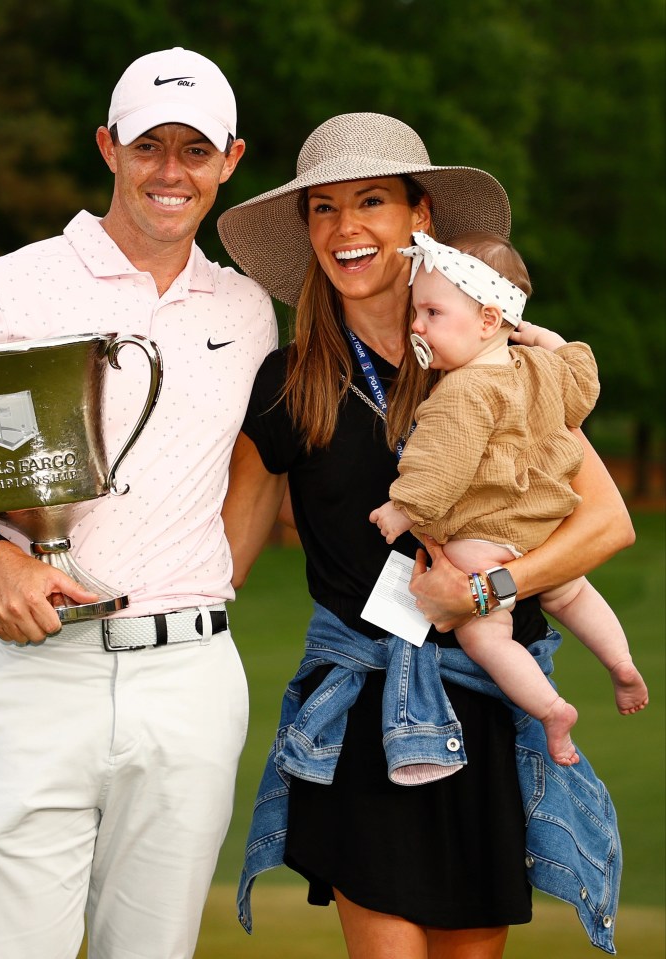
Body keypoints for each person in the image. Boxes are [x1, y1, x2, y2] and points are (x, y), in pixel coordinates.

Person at [0, 47, 277, 959]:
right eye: (148, 147)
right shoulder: (7, 287)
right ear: (107, 147)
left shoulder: (249, 308)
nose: (170, 172)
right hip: (34, 675)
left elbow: (258, 460)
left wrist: (212, 583)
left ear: (231, 161)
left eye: (194, 150)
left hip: (188, 683)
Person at [217, 113, 634, 958]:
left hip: (488, 699)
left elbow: (605, 521)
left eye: (370, 200)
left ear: (421, 220)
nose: (345, 227)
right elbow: (218, 559)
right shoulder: (287, 383)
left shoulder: (496, 357)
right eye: (323, 208)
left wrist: (483, 590)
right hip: (362, 713)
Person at [370, 230, 648, 766]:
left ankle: (550, 710)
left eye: (432, 313)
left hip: (485, 538)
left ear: (489, 321)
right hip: (544, 529)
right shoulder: (540, 371)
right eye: (416, 314)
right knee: (573, 596)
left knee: (487, 638)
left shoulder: (460, 391)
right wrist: (547, 339)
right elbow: (583, 385)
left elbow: (440, 466)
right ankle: (620, 662)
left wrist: (403, 508)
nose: (417, 326)